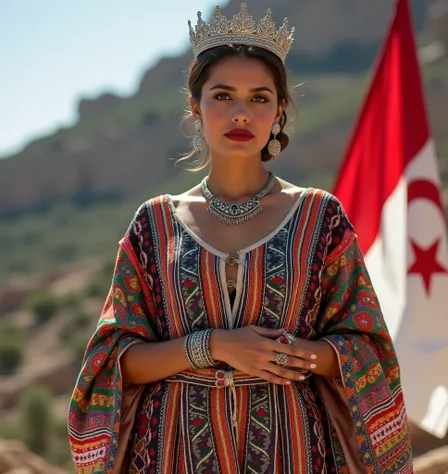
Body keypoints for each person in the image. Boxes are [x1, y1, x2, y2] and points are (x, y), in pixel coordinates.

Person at [67, 4, 413, 473]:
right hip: (172, 455)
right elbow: (114, 363)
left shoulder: (319, 216)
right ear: (196, 106)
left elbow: (368, 347)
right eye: (224, 96)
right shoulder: (153, 225)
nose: (241, 114)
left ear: (279, 111)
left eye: (260, 98)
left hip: (295, 454)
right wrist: (215, 346)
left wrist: (290, 354)